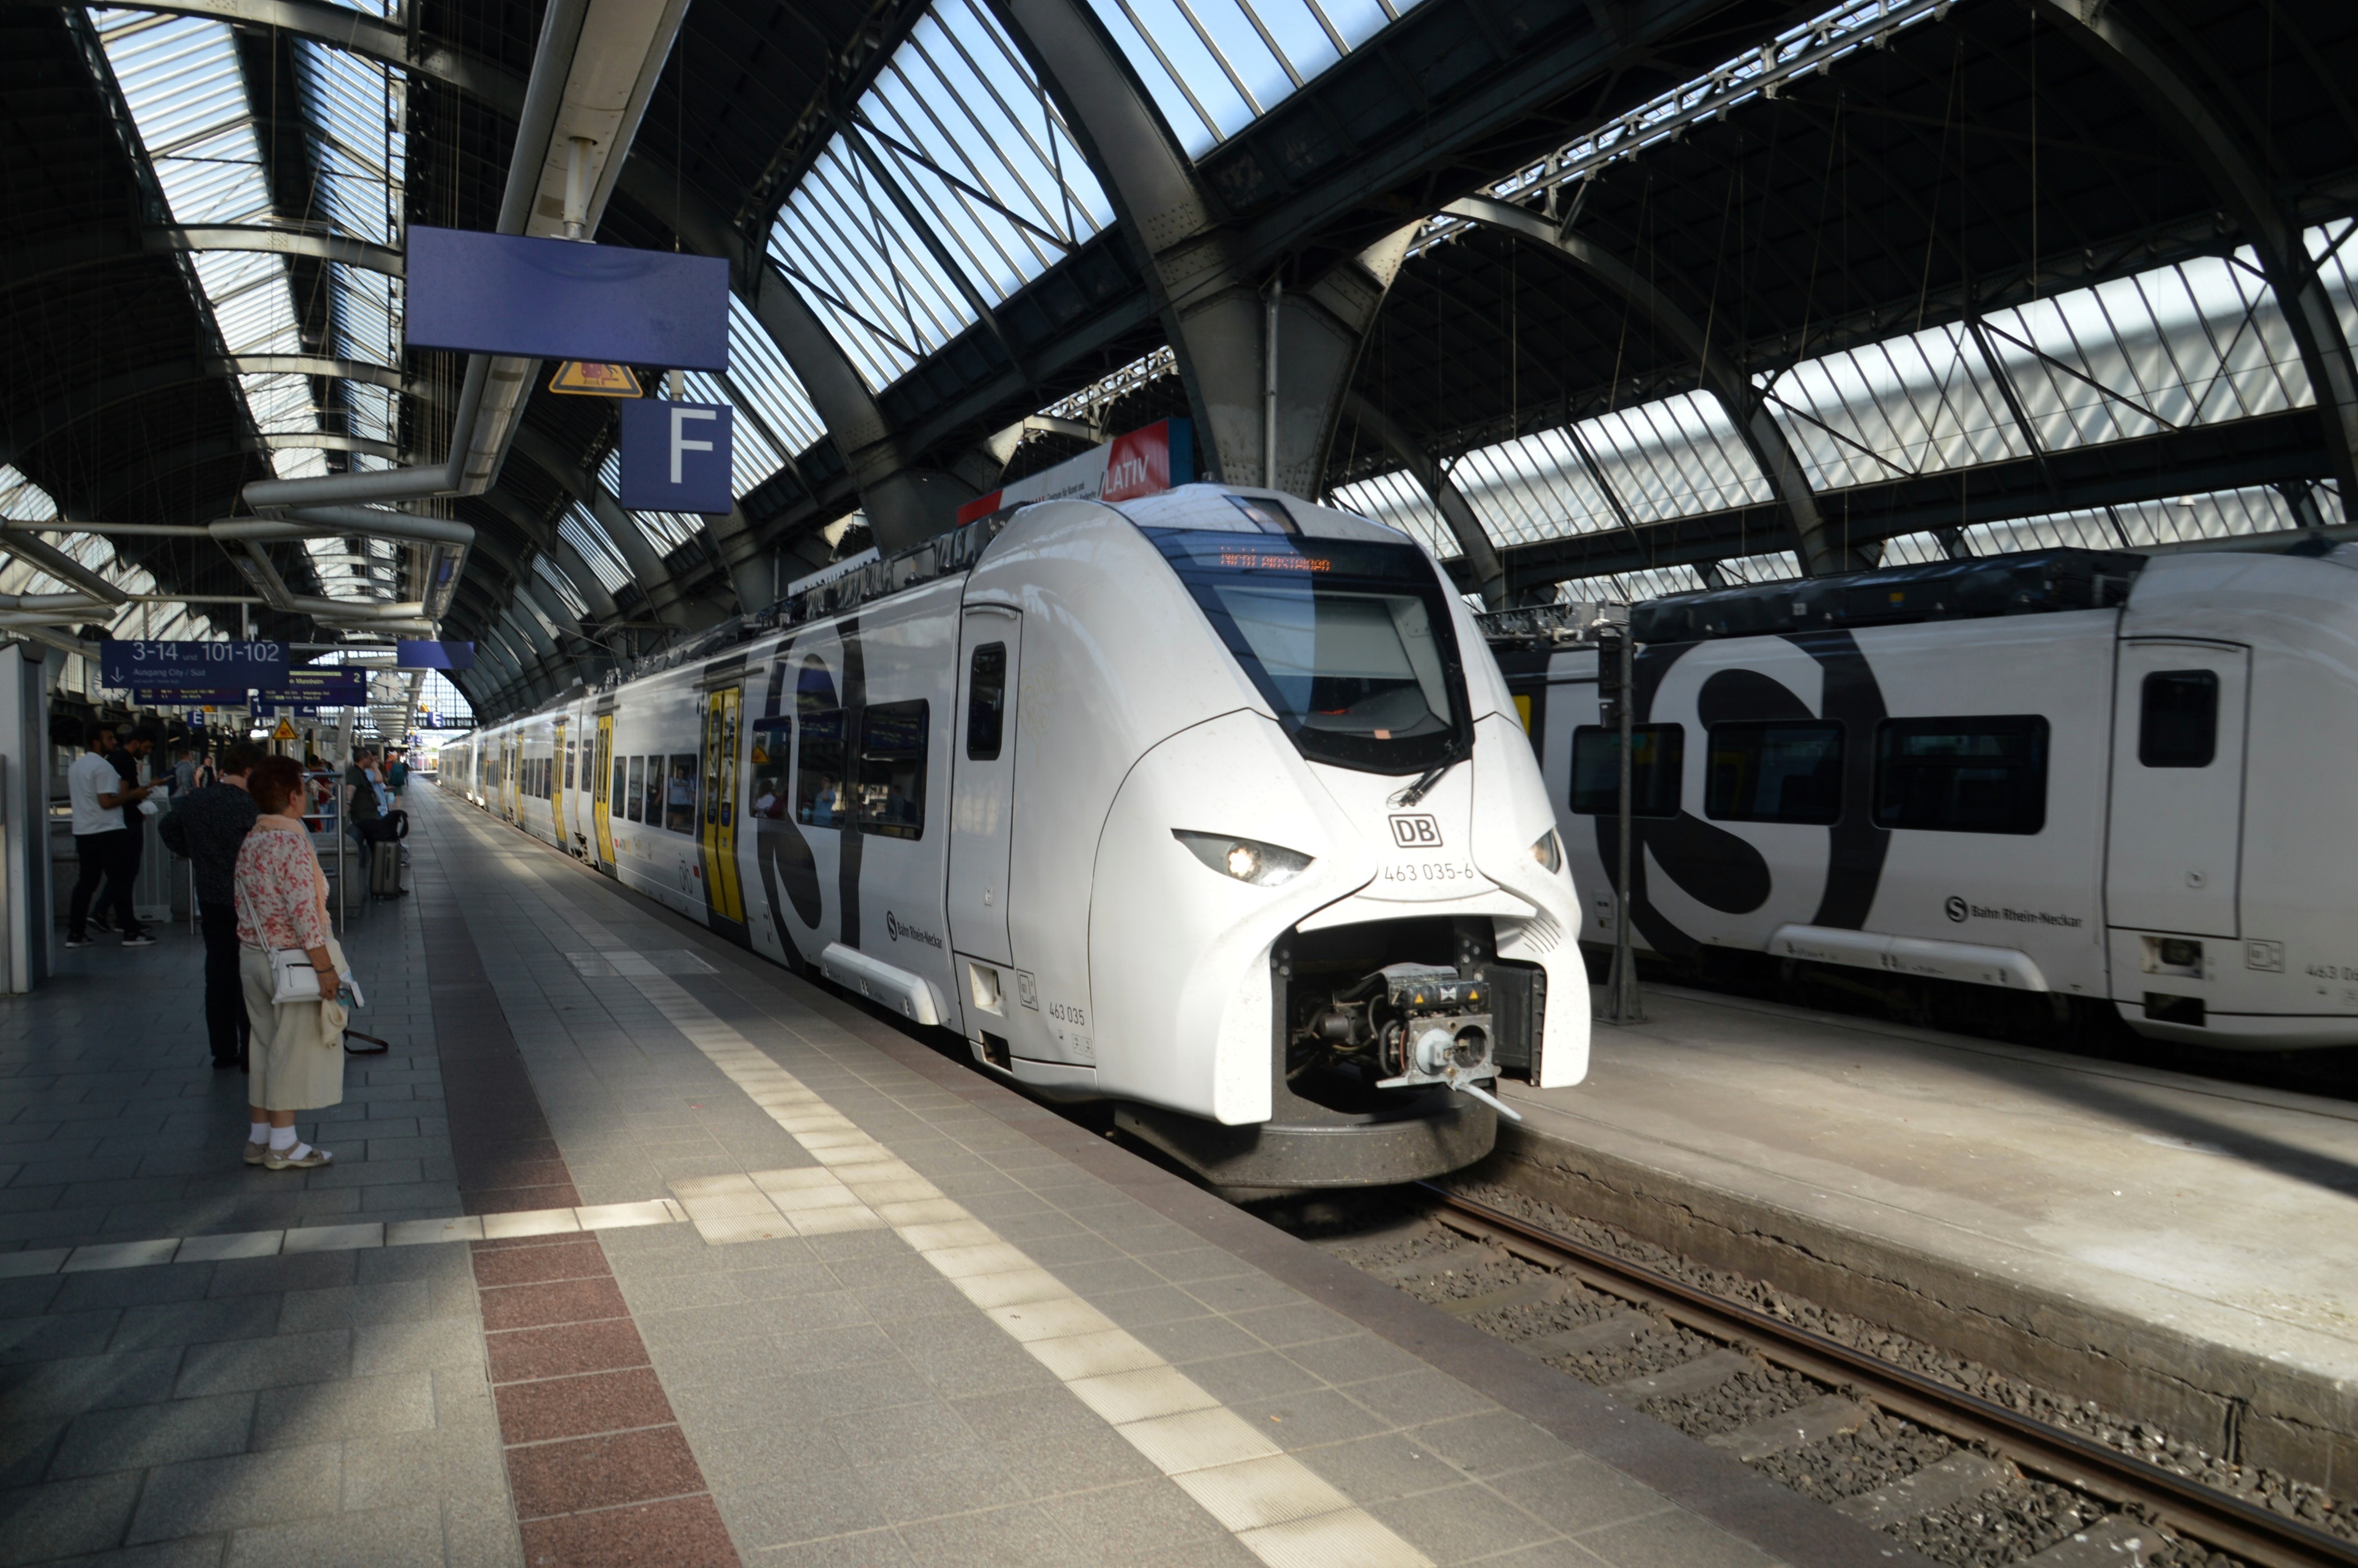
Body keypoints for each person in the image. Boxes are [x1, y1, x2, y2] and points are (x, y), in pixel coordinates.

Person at [235, 755, 342, 1171]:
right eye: (303, 788)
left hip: (253, 956)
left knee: (263, 1046)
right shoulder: (292, 842)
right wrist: (325, 968)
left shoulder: (253, 838)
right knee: (291, 1051)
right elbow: (304, 914)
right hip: (290, 963)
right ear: (295, 796)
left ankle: (258, 1138)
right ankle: (283, 1145)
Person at [160, 740, 263, 1069]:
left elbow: (167, 828)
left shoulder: (197, 800)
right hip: (247, 901)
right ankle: (251, 1051)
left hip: (210, 898)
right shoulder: (250, 805)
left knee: (218, 973)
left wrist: (195, 852)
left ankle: (223, 1049)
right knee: (249, 975)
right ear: (249, 770)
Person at [65, 721, 157, 948]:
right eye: (109, 738)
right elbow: (106, 802)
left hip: (83, 831)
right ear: (97, 742)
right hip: (108, 831)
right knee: (121, 882)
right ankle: (130, 932)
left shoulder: (76, 767)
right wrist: (135, 794)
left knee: (86, 883)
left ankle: (75, 934)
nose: (115, 742)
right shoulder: (104, 768)